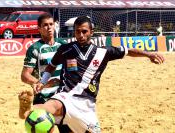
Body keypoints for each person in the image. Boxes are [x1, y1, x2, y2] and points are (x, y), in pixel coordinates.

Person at [19, 16, 165, 133]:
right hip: (66, 97)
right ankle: (27, 108)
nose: (80, 35)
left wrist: (149, 54)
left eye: (84, 31)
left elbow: (128, 51)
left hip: (87, 106)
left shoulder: (103, 52)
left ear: (91, 32)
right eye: (77, 32)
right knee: (50, 107)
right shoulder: (65, 49)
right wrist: (42, 82)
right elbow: (51, 66)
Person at [21, 12, 71, 133]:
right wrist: (41, 83)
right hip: (43, 98)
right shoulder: (35, 48)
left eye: (51, 24)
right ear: (39, 28)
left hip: (62, 97)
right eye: (45, 25)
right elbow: (25, 75)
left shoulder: (63, 45)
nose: (49, 28)